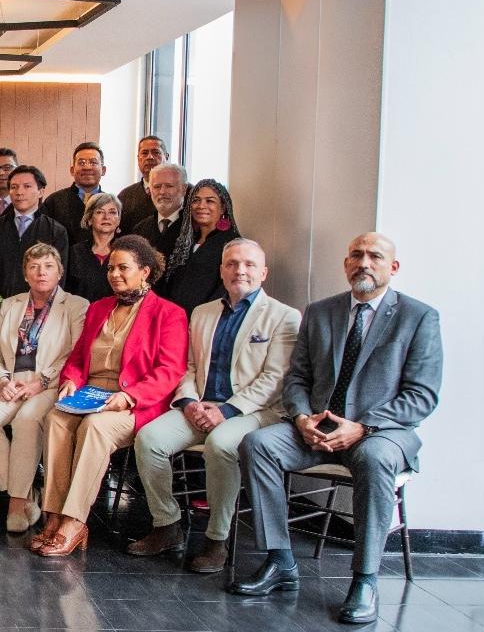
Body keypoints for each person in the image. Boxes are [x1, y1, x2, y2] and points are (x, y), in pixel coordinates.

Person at [230, 233, 441, 626]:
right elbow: (297, 378)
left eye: (375, 256)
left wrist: (363, 426)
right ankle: (280, 560)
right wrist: (300, 418)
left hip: (381, 432)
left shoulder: (419, 317)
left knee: (376, 458)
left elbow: (422, 396)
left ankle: (365, 579)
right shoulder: (321, 311)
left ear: (392, 267)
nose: (364, 262)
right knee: (257, 443)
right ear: (346, 265)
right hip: (318, 426)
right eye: (356, 255)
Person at [128, 238, 301, 573]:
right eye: (232, 263)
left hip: (254, 412)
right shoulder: (203, 313)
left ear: (263, 272)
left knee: (221, 445)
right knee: (149, 439)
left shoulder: (284, 316)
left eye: (249, 264)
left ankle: (216, 539)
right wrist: (191, 402)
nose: (240, 270)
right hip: (200, 405)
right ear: (221, 271)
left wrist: (226, 411)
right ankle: (167, 525)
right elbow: (189, 367)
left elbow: (274, 379)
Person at [35, 234, 187, 557]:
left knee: (95, 428)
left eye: (123, 268)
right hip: (88, 394)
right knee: (56, 419)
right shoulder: (98, 308)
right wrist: (70, 382)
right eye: (111, 269)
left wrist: (129, 397)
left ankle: (75, 521)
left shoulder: (169, 313)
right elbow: (77, 360)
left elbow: (170, 371)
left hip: (132, 401)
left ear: (145, 271)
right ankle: (53, 515)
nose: (114, 274)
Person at [0, 243, 88, 532]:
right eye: (34, 267)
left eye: (48, 266)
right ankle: (23, 492)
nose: (41, 272)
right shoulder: (10, 305)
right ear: (25, 274)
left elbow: (75, 353)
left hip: (50, 384)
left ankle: (14, 503)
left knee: (26, 422)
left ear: (59, 271)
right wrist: (0, 380)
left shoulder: (75, 305)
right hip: (10, 381)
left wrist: (41, 382)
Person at [0, 164, 70, 299]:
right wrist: (0, 304)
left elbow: (59, 275)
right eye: (14, 187)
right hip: (0, 308)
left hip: (40, 308)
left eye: (27, 186)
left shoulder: (56, 231)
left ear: (41, 192)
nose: (19, 192)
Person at [159, 179, 241, 314]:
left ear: (223, 207)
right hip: (173, 319)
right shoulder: (183, 241)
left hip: (205, 321)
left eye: (210, 201)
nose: (201, 206)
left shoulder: (233, 245)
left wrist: (201, 318)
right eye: (196, 200)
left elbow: (227, 289)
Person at [40, 142, 107, 246]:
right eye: (81, 163)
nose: (87, 167)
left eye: (93, 162)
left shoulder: (110, 203)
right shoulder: (54, 201)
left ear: (103, 170)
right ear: (72, 170)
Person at [64, 193, 121, 302]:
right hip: (81, 315)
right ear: (89, 219)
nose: (106, 217)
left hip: (117, 316)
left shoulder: (127, 252)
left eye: (112, 212)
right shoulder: (74, 252)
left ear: (118, 220)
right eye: (99, 212)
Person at [130, 162, 187, 257]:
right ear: (150, 190)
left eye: (169, 186)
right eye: (157, 186)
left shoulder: (194, 227)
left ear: (183, 189)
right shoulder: (139, 230)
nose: (162, 192)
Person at [117, 135, 167, 232]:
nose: (150, 157)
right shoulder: (125, 196)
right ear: (138, 158)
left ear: (166, 156)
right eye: (144, 153)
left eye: (156, 152)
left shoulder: (183, 191)